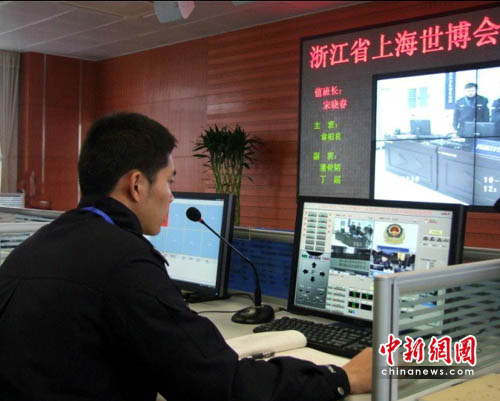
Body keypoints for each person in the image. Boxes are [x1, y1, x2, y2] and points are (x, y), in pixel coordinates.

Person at [0, 112, 372, 401]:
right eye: (170, 181)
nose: (172, 196)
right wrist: (341, 378)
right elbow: (221, 387)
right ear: (137, 184)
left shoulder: (37, 246)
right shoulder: (124, 261)